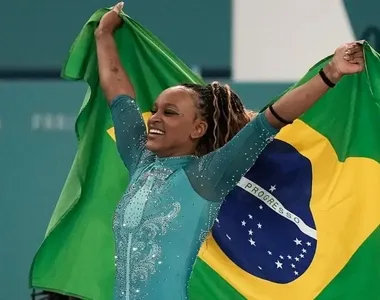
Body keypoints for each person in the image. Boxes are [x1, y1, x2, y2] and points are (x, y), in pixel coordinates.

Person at [94, 2, 364, 299]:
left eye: (170, 113)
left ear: (197, 129)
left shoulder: (205, 177)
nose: (155, 117)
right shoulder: (138, 158)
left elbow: (269, 121)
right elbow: (118, 91)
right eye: (156, 109)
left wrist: (332, 72)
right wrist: (103, 33)